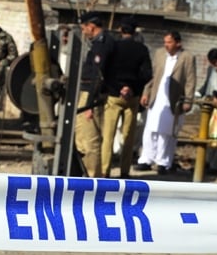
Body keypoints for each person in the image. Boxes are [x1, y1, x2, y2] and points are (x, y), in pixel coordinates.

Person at [135, 31, 196, 175]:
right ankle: (147, 159)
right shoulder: (159, 54)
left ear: (178, 43)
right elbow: (153, 75)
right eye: (165, 42)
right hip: (157, 96)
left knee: (166, 131)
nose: (166, 45)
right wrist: (146, 92)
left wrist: (188, 100)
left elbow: (190, 80)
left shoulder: (187, 57)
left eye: (169, 42)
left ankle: (163, 162)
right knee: (150, 129)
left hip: (173, 98)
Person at [101, 17, 152, 178]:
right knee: (129, 137)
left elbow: (105, 71)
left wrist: (119, 88)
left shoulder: (113, 47)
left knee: (108, 136)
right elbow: (146, 74)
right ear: (134, 31)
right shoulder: (142, 49)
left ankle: (105, 170)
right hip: (132, 97)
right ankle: (124, 171)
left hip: (114, 96)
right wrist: (131, 88)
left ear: (121, 30)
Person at [75, 11, 116, 177]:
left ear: (91, 27)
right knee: (81, 137)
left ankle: (93, 177)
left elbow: (98, 77)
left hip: (91, 97)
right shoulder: (98, 43)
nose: (83, 32)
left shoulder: (103, 45)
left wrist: (90, 104)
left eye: (84, 28)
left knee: (90, 140)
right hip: (87, 94)